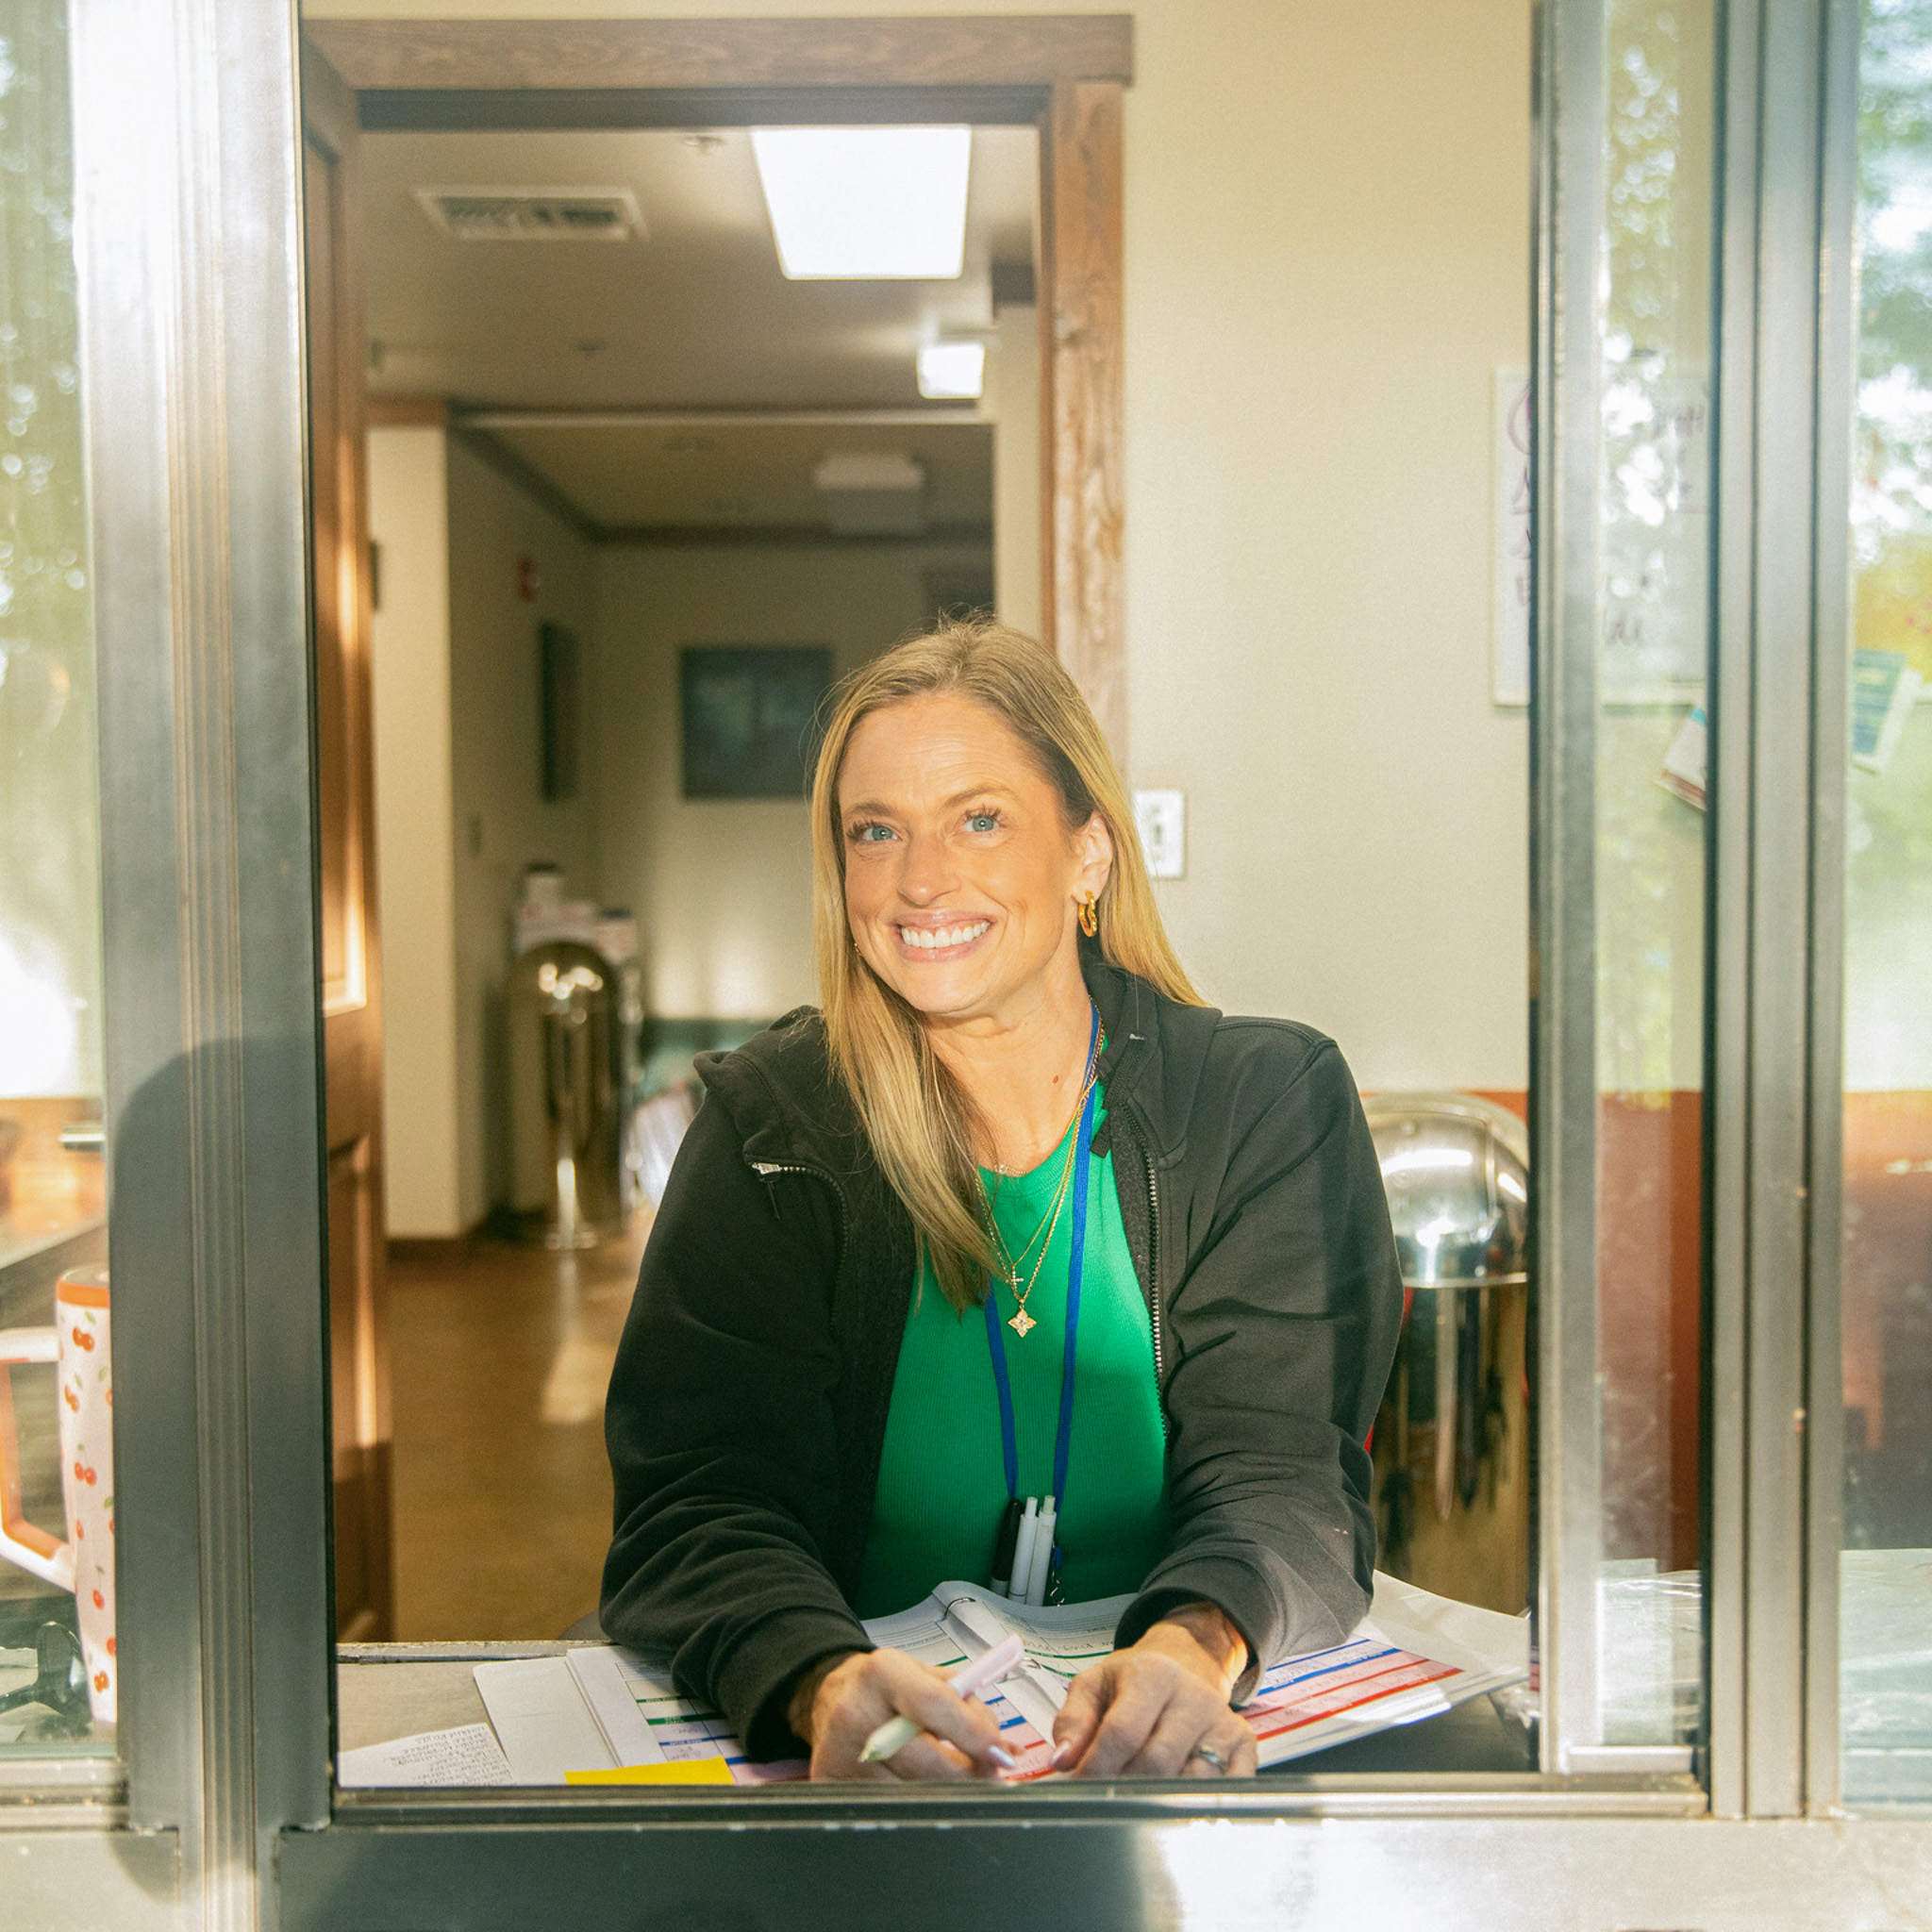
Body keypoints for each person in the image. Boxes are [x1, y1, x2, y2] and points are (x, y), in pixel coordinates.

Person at [600, 620, 1402, 1781]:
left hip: (1155, 1754)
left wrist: (1191, 1645)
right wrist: (820, 1681)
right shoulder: (773, 1123)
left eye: (978, 817)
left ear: (1086, 852)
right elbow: (697, 1503)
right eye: (875, 831)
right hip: (881, 1763)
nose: (919, 880)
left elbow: (1287, 1478)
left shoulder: (1262, 1102)